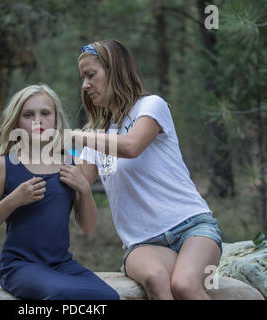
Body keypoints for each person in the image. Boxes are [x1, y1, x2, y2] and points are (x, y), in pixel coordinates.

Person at [74, 40, 223, 300]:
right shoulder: (97, 138)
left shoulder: (151, 106)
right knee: (156, 280)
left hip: (192, 227)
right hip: (143, 244)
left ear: (115, 71)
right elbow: (77, 184)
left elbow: (131, 146)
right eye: (82, 78)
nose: (85, 85)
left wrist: (76, 136)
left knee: (185, 285)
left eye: (91, 75)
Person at [0, 83, 119, 300]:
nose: (37, 120)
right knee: (59, 293)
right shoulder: (5, 166)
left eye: (45, 113)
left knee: (109, 297)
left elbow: (88, 227)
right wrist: (13, 200)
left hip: (62, 264)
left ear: (56, 120)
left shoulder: (70, 163)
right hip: (20, 267)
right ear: (16, 122)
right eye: (28, 114)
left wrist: (85, 190)